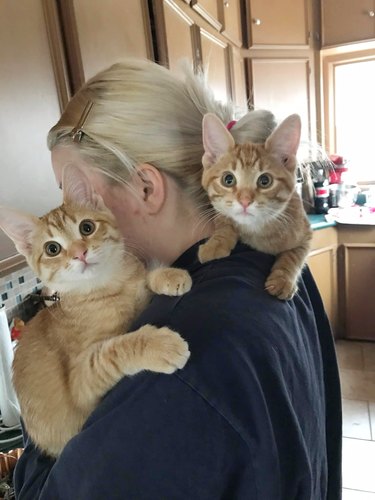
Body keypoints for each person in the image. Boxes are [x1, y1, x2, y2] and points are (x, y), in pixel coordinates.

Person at [14, 58, 342, 499]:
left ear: (146, 188)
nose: (68, 212)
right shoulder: (271, 267)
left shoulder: (177, 354)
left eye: (74, 190)